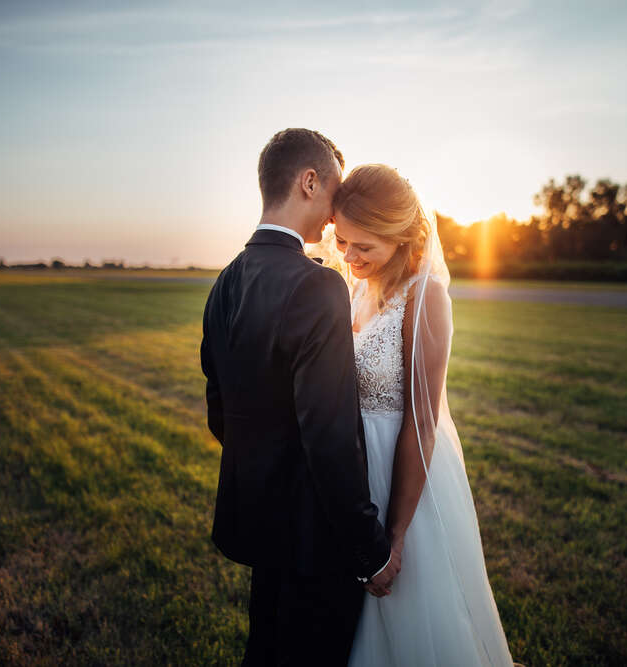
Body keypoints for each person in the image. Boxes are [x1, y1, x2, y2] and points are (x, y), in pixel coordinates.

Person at [200, 129, 400, 666]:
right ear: (309, 182)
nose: (336, 216)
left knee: (266, 648)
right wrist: (369, 548)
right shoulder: (318, 286)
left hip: (259, 523)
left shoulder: (225, 282)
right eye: (333, 193)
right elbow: (329, 433)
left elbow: (220, 409)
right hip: (314, 538)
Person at [326, 164, 515, 666]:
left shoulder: (423, 295)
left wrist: (396, 534)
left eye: (363, 246)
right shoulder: (354, 286)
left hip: (402, 477)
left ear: (400, 236)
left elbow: (422, 422)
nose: (349, 256)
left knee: (413, 620)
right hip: (355, 471)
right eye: (342, 242)